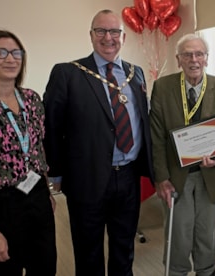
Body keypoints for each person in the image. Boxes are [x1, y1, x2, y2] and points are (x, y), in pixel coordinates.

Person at [43, 9, 154, 276]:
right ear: (91, 36)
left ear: (123, 37)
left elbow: (143, 121)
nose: (108, 37)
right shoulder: (68, 73)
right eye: (101, 31)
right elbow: (52, 127)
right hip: (86, 178)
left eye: (114, 31)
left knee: (124, 249)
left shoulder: (135, 73)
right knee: (88, 251)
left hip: (128, 178)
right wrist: (55, 173)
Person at [0, 30, 56, 275]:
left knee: (46, 268)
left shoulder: (32, 99)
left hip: (36, 197)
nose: (10, 58)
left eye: (16, 52)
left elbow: (37, 150)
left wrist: (46, 191)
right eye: (0, 52)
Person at [150, 34, 215, 276]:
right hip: (175, 175)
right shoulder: (163, 87)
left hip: (211, 173)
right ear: (178, 60)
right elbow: (156, 135)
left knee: (206, 231)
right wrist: (161, 177)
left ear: (207, 58)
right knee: (179, 231)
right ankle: (176, 271)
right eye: (187, 54)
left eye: (199, 54)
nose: (193, 59)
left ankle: (207, 271)